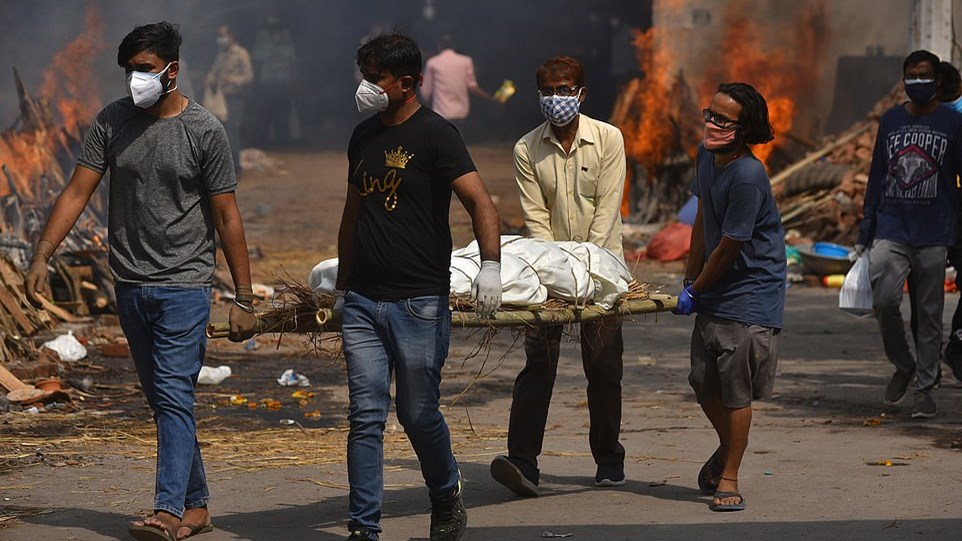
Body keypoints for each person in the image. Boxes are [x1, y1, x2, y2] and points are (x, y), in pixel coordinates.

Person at [23, 21, 257, 540]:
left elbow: (227, 217)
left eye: (145, 70)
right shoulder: (112, 121)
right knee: (162, 399)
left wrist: (243, 297)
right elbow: (76, 192)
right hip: (130, 284)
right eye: (129, 71)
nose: (135, 80)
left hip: (185, 286)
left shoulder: (205, 131)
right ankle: (196, 505)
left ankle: (167, 511)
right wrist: (42, 253)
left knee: (174, 396)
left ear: (172, 71)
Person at [336, 32, 502, 541]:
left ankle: (446, 490)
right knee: (365, 415)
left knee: (417, 412)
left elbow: (481, 203)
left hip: (418, 302)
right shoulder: (362, 136)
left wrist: (490, 266)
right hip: (363, 300)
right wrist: (343, 286)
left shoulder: (437, 135)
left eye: (374, 78)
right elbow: (352, 213)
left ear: (405, 84)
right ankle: (364, 527)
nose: (364, 86)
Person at [489, 55, 628, 497]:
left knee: (604, 367)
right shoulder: (526, 148)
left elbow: (606, 216)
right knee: (538, 366)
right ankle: (523, 462)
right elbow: (536, 222)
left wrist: (587, 276)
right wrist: (556, 279)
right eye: (548, 90)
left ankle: (608, 458)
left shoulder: (609, 139)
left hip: (603, 271)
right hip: (548, 275)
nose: (556, 98)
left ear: (581, 93)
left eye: (564, 90)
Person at [673, 82, 785, 512]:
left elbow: (731, 244)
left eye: (723, 120)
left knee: (736, 390)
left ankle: (730, 475)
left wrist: (697, 289)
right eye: (710, 114)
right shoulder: (706, 156)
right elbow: (704, 214)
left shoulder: (748, 175)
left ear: (744, 129)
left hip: (751, 291)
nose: (712, 124)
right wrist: (689, 273)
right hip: (714, 283)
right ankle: (727, 449)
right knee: (703, 384)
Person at [857, 50, 962, 418]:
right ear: (904, 81)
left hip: (935, 231)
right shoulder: (890, 121)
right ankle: (904, 364)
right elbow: (876, 176)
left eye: (925, 75)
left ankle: (925, 390)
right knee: (884, 301)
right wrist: (865, 228)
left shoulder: (953, 123)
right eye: (912, 76)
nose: (918, 82)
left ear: (936, 80)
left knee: (930, 314)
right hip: (892, 227)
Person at [420, 35, 495, 134]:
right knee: (458, 138)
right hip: (461, 111)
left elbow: (425, 92)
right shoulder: (466, 61)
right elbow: (473, 87)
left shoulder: (433, 63)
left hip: (441, 111)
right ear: (454, 46)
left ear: (439, 47)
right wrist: (489, 97)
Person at [205, 25, 253, 174]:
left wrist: (231, 80)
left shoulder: (240, 53)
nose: (221, 39)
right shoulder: (220, 54)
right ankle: (222, 166)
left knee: (232, 131)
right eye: (219, 36)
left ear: (231, 36)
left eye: (223, 35)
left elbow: (248, 76)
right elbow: (214, 71)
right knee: (220, 131)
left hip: (235, 96)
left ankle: (236, 167)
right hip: (221, 98)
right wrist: (210, 79)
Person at [252, 13, 298, 146]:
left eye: (277, 27)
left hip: (283, 84)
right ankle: (263, 143)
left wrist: (294, 83)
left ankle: (282, 142)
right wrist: (254, 84)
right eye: (271, 28)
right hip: (266, 84)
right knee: (264, 114)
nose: (275, 30)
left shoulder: (287, 45)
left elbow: (293, 66)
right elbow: (256, 64)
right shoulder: (262, 44)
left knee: (283, 115)